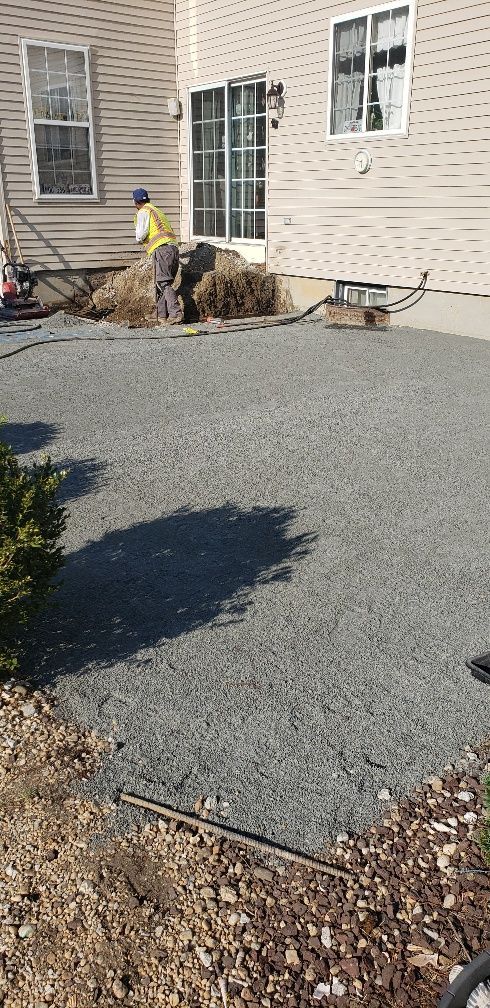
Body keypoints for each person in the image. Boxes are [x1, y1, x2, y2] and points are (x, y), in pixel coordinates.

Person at [132, 187, 183, 325]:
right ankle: (160, 314)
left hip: (161, 250)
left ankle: (176, 313)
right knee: (162, 282)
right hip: (173, 249)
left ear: (135, 202)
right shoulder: (157, 210)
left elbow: (140, 235)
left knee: (163, 282)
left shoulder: (143, 211)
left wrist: (140, 239)